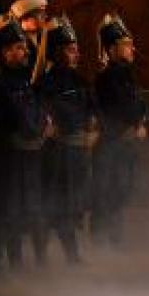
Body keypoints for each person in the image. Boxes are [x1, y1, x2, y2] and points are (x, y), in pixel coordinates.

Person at [0, 13, 53, 278]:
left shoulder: (26, 82)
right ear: (4, 53)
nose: (23, 52)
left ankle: (18, 265)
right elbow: (18, 117)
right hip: (9, 158)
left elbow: (39, 108)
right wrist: (37, 128)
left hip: (28, 158)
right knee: (4, 210)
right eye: (17, 48)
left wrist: (42, 123)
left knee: (25, 211)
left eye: (23, 47)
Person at [39, 15, 97, 265]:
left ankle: (72, 255)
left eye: (76, 49)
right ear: (58, 52)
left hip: (78, 155)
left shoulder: (79, 79)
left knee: (72, 207)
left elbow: (92, 107)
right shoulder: (47, 82)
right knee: (55, 206)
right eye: (71, 50)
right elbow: (56, 114)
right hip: (58, 156)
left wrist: (93, 122)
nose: (77, 54)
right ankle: (42, 257)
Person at [93, 13, 149, 246]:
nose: (131, 49)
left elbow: (141, 105)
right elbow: (125, 107)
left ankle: (114, 241)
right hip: (112, 144)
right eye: (126, 44)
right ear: (111, 49)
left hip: (124, 145)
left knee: (120, 193)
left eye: (130, 44)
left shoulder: (126, 75)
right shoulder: (109, 77)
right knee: (108, 194)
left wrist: (141, 122)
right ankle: (103, 244)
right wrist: (137, 122)